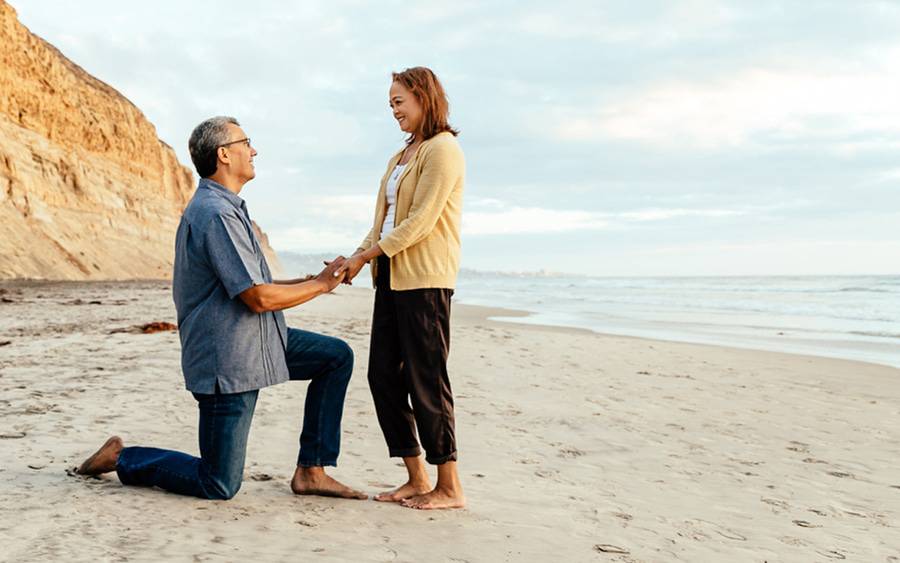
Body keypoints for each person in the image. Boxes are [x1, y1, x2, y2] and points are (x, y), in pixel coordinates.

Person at [76, 116, 366, 501]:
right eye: (246, 142)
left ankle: (311, 470)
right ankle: (123, 457)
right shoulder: (215, 214)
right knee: (219, 482)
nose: (254, 149)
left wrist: (313, 278)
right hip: (226, 359)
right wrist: (323, 285)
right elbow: (258, 299)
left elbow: (254, 284)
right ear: (224, 154)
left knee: (334, 357)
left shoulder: (227, 207)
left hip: (257, 343)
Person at [337, 67, 466, 510]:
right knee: (382, 377)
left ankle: (449, 486)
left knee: (426, 380)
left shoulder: (443, 150)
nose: (393, 110)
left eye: (398, 101)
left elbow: (421, 222)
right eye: (390, 103)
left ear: (423, 98)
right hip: (390, 278)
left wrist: (366, 256)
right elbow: (383, 225)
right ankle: (416, 476)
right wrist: (352, 257)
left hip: (426, 280)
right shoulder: (402, 156)